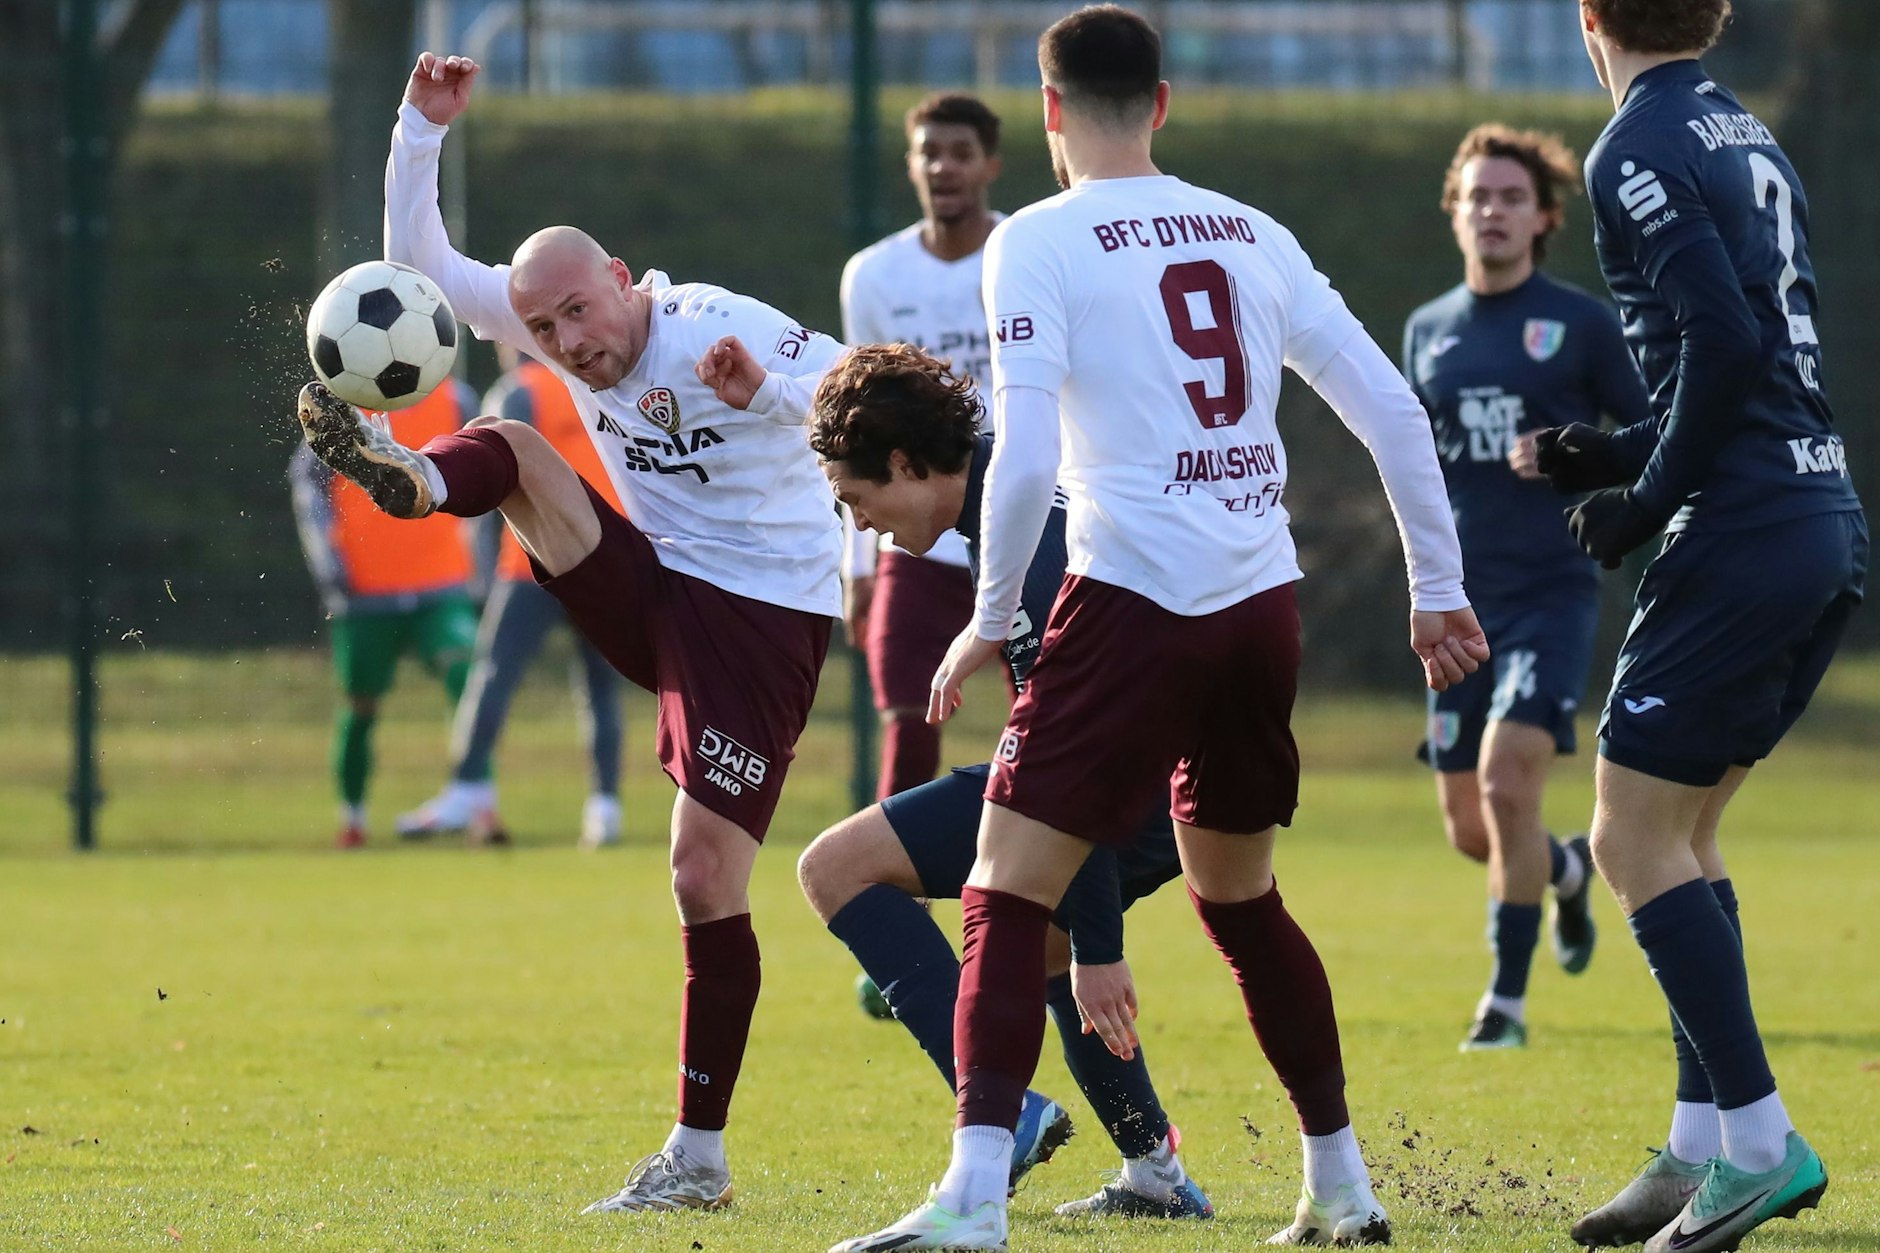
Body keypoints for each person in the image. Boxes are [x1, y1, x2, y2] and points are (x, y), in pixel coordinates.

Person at [832, 9, 1488, 1251]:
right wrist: (1434, 588)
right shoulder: (1250, 230)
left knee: (998, 889)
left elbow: (1021, 451)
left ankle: (972, 1199)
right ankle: (1341, 1186)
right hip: (1258, 608)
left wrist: (984, 614)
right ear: (1163, 103)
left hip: (1130, 601)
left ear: (1044, 110)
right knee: (1239, 900)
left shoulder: (1036, 238)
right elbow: (1393, 411)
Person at [299, 51, 847, 1214]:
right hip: (653, 588)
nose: (568, 341)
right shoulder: (551, 332)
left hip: (759, 621)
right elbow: (423, 274)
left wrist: (770, 395)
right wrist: (418, 130)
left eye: (579, 312)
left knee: (702, 874)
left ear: (623, 277)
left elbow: (859, 386)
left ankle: (696, 1159)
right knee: (513, 444)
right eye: (542, 324)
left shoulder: (713, 329)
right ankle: (411, 480)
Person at [1532, 3, 1864, 1250]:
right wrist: (1616, 448)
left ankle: (1761, 1141)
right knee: (1686, 831)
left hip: (1740, 527)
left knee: (1624, 834)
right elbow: (1743, 357)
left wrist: (1641, 500)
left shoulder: (1633, 142)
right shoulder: (1744, 130)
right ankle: (1696, 1145)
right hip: (1812, 506)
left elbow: (1724, 341)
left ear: (1587, 16)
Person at [801, 343, 1212, 1220]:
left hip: (1132, 778)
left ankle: (1006, 1115)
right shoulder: (1009, 495)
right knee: (1051, 945)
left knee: (836, 867)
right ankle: (1157, 1175)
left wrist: (1103, 942)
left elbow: (1082, 765)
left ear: (908, 464)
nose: (862, 524)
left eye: (858, 499)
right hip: (1164, 767)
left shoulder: (1030, 547)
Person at [1403, 123, 1653, 1051]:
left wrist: (1580, 463)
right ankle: (1568, 870)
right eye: (1477, 196)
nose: (1492, 212)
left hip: (1551, 592)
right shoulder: (1428, 329)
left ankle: (1503, 1007)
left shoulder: (1581, 323)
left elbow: (1656, 433)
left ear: (1544, 215)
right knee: (1476, 830)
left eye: (1511, 197)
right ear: (1455, 212)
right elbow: (1413, 465)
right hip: (1462, 602)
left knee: (1513, 782)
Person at [840, 92, 1006, 800]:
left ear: (990, 165)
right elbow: (857, 418)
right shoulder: (875, 275)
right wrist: (857, 562)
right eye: (929, 152)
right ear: (911, 165)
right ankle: (894, 890)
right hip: (918, 539)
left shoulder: (1026, 252)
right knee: (909, 724)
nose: (944, 167)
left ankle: (1048, 886)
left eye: (961, 153)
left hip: (1024, 524)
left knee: (1058, 714)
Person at [396, 346, 629, 848]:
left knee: (494, 675)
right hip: (603, 560)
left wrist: (480, 568)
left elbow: (487, 479)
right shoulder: (604, 388)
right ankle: (605, 807)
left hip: (530, 563)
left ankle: (466, 789)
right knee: (599, 689)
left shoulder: (519, 391)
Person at [289, 378, 482, 850]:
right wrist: (330, 567)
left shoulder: (458, 400)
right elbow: (308, 488)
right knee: (360, 706)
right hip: (364, 592)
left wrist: (481, 558)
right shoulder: (335, 408)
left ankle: (478, 803)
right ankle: (352, 818)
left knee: (469, 685)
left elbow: (483, 476)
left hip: (442, 582)